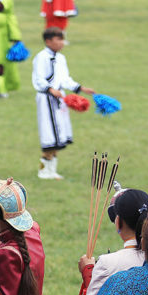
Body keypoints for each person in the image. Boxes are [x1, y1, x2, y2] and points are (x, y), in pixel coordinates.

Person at [32, 26, 93, 180]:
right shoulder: (42, 57)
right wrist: (50, 89)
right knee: (49, 133)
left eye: (62, 39)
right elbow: (39, 78)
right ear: (48, 41)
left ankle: (52, 170)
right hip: (47, 99)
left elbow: (65, 79)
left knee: (59, 133)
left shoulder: (61, 58)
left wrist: (81, 88)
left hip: (59, 98)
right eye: (58, 39)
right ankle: (43, 170)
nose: (62, 43)